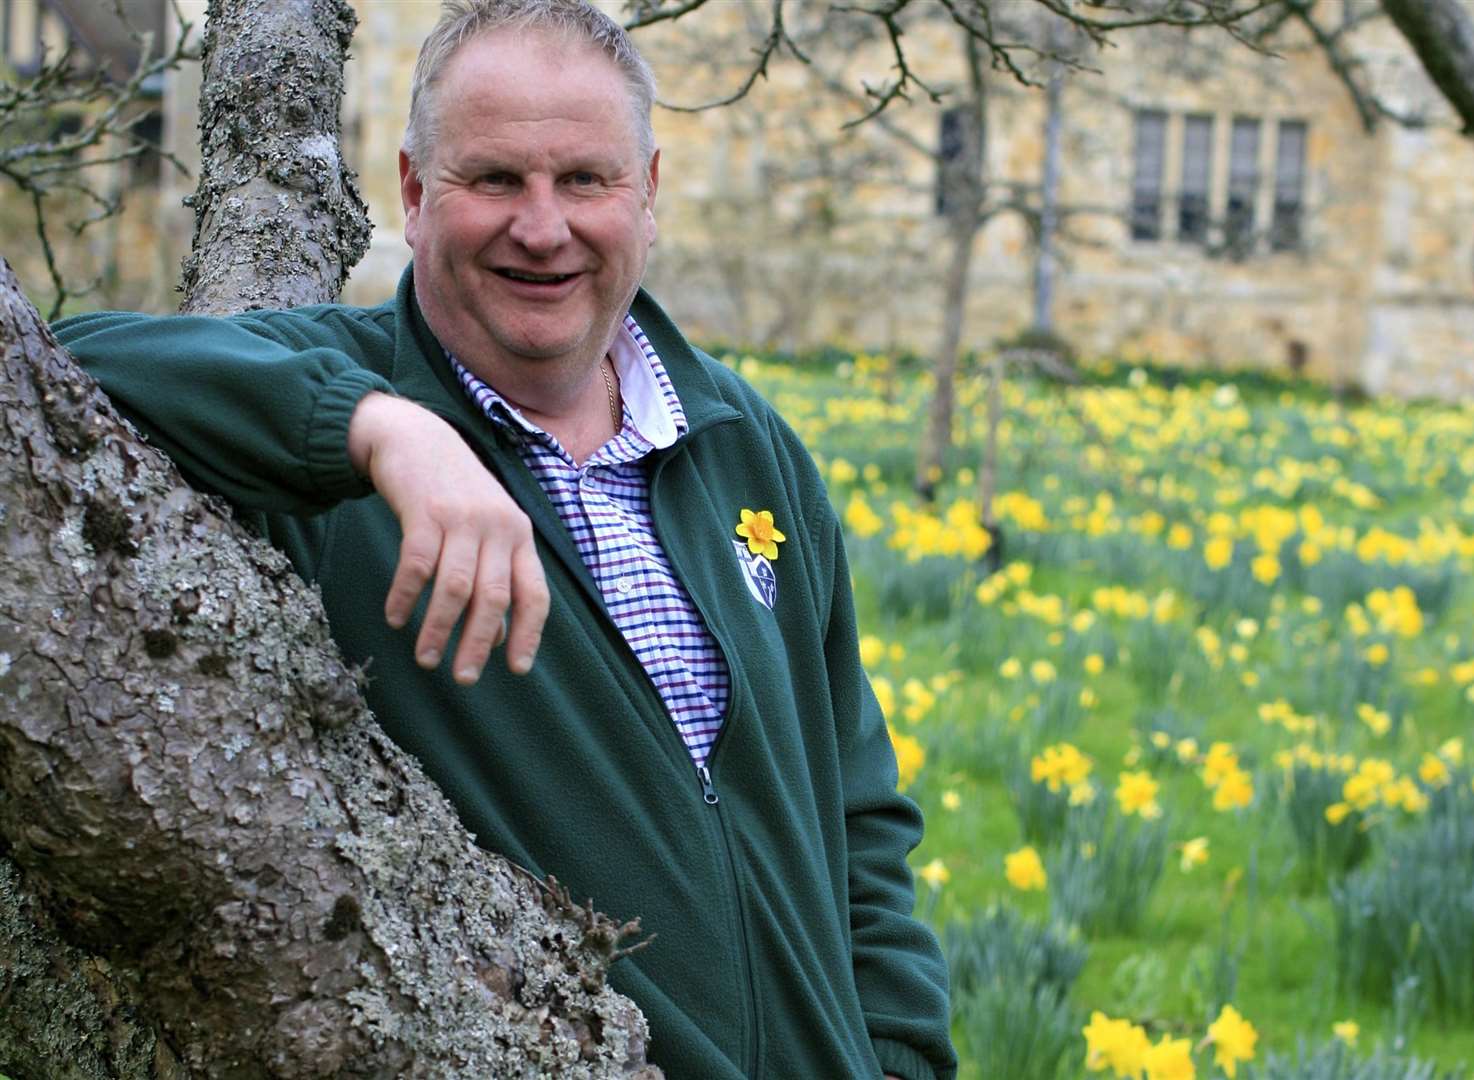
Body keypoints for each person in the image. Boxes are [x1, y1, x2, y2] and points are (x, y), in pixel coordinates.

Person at [55, 1, 957, 1076]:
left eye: (584, 180)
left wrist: (900, 1060)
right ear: (413, 192)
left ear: (648, 193)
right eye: (494, 180)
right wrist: (376, 430)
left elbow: (857, 814)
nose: (542, 226)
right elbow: (67, 364)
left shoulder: (744, 447)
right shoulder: (333, 430)